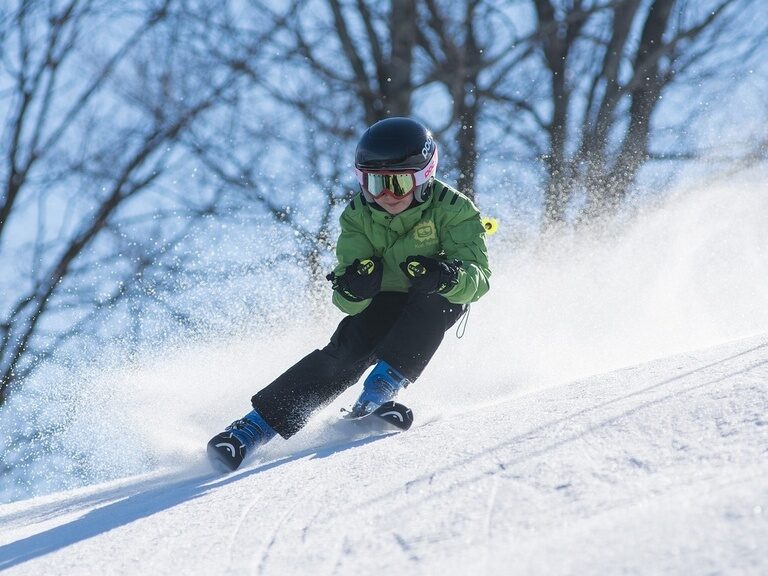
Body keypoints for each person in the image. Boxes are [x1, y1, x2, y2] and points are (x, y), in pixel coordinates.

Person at [207, 117, 491, 472]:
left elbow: (479, 279)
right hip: (383, 298)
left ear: (423, 177)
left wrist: (447, 276)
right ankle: (252, 429)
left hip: (434, 295)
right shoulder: (358, 215)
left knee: (436, 303)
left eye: (398, 183)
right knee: (346, 351)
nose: (385, 195)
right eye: (373, 184)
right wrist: (354, 287)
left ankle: (378, 392)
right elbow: (345, 298)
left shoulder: (454, 208)